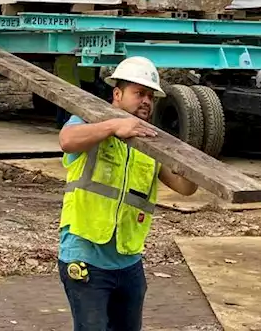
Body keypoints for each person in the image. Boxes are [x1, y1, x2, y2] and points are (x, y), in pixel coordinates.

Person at [56, 56, 197, 331]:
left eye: (150, 96)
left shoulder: (150, 143)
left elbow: (185, 187)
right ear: (117, 94)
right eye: (138, 93)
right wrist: (112, 126)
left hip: (128, 260)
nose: (146, 101)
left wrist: (195, 162)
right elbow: (67, 141)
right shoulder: (87, 121)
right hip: (86, 255)